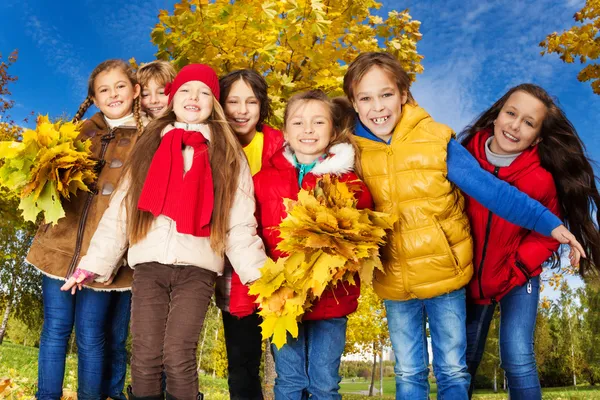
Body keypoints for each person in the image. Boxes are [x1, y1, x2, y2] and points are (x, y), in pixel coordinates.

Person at [341, 51, 586, 400]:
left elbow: (493, 191)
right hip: (394, 281)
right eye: (365, 98)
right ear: (353, 103)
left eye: (386, 95)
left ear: (404, 94)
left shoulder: (437, 140)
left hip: (446, 277)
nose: (377, 107)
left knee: (454, 371)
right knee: (408, 372)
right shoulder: (351, 149)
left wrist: (551, 226)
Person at [63, 64, 266, 400]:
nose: (194, 97)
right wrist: (93, 263)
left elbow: (240, 223)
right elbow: (121, 210)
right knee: (145, 356)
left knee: (177, 354)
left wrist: (259, 276)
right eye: (186, 90)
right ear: (173, 98)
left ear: (214, 103)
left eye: (204, 92)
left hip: (197, 268)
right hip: (148, 265)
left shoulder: (228, 154)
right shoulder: (149, 146)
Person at [461, 83, 600, 400]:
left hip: (516, 276)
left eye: (528, 122)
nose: (515, 125)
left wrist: (518, 267)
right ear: (497, 116)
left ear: (537, 137)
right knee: (463, 359)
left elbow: (548, 234)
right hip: (470, 278)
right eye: (511, 113)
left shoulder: (539, 179)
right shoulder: (466, 155)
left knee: (517, 354)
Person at [26, 59, 144, 400]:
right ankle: (46, 395)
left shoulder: (144, 138)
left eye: (120, 86)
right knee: (55, 330)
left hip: (101, 257)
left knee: (92, 334)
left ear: (135, 90)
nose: (113, 94)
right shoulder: (77, 132)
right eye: (103, 90)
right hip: (59, 247)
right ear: (93, 98)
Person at [250, 90, 373, 399]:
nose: (308, 130)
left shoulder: (349, 181)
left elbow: (361, 234)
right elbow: (251, 233)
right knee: (289, 382)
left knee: (324, 383)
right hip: (283, 298)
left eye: (318, 122)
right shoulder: (262, 180)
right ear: (285, 132)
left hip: (331, 300)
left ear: (332, 130)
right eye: (298, 122)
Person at [215, 69, 284, 400]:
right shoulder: (211, 148)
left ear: (262, 105)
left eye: (251, 101)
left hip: (284, 267)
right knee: (242, 364)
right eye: (233, 101)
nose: (242, 110)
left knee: (292, 361)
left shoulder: (283, 145)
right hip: (235, 271)